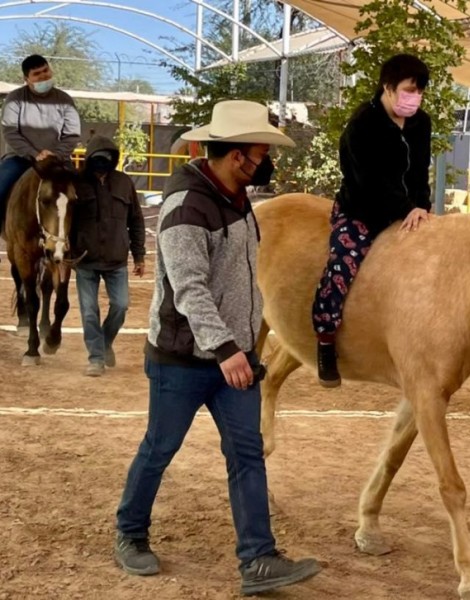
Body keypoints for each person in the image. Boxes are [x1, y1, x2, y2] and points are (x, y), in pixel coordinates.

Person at [114, 100, 320, 596]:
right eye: (259, 152)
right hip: (183, 359)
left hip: (234, 357)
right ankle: (129, 533)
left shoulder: (234, 194)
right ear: (234, 157)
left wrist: (243, 347)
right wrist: (228, 349)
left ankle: (258, 559)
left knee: (247, 453)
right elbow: (190, 289)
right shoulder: (187, 206)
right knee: (159, 448)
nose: (266, 160)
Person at [313, 53, 434, 387]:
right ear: (388, 87)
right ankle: (325, 340)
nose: (415, 98)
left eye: (420, 92)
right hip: (362, 211)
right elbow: (369, 181)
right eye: (410, 90)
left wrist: (421, 207)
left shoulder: (421, 123)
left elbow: (421, 171)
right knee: (342, 262)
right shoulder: (362, 125)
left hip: (411, 210)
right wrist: (404, 209)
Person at [71, 135, 146, 377]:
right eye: (97, 159)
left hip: (116, 259)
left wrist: (139, 255)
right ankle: (96, 358)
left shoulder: (124, 183)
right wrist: (66, 256)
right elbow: (66, 221)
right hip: (85, 259)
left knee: (121, 306)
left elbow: (136, 220)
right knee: (89, 310)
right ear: (89, 160)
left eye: (106, 159)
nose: (102, 164)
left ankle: (104, 342)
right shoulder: (76, 183)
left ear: (113, 160)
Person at [0, 54, 80, 230]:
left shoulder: (65, 100)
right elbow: (10, 132)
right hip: (20, 159)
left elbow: (72, 134)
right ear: (26, 79)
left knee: (87, 193)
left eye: (46, 70)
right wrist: (34, 154)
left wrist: (56, 154)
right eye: (37, 74)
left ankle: (81, 245)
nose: (44, 76)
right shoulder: (14, 99)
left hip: (57, 161)